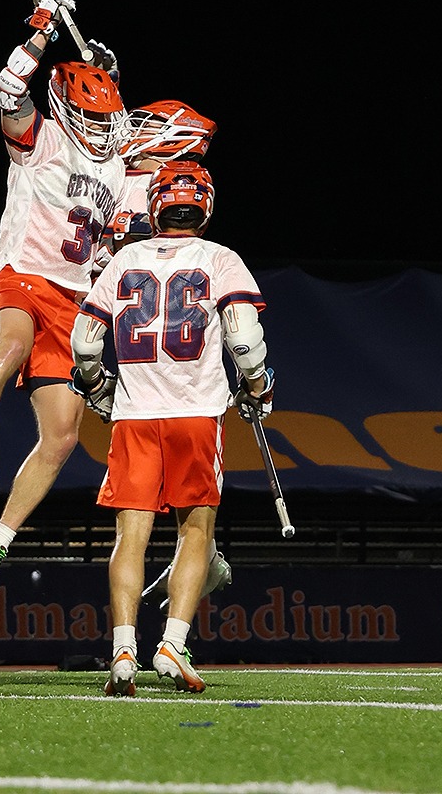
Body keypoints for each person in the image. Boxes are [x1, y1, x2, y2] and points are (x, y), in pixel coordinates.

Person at [0, 0, 130, 594]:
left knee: (64, 435)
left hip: (77, 299)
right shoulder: (39, 137)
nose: (106, 131)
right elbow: (7, 89)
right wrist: (45, 24)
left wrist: (102, 66)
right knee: (11, 343)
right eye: (96, 121)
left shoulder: (114, 160)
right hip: (21, 276)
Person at [70, 161, 275, 696]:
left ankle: (121, 650)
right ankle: (172, 644)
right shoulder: (220, 259)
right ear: (204, 206)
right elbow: (246, 342)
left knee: (129, 538)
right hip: (195, 413)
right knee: (196, 532)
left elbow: (85, 344)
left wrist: (97, 389)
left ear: (156, 204)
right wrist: (258, 389)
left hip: (135, 416)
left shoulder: (123, 260)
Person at [106, 100, 236, 611]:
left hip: (132, 366)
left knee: (132, 525)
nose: (131, 131)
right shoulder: (201, 228)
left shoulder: (142, 191)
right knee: (192, 517)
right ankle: (201, 562)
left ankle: (125, 642)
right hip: (174, 378)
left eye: (148, 126)